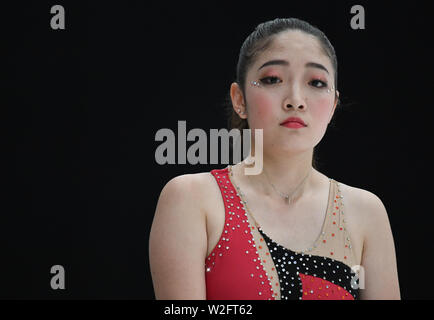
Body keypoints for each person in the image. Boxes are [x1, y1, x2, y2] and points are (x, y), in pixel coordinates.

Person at [149, 18, 400, 300]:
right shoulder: (193, 199)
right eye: (272, 80)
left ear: (332, 106)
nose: (295, 99)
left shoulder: (365, 212)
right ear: (239, 99)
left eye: (316, 83)